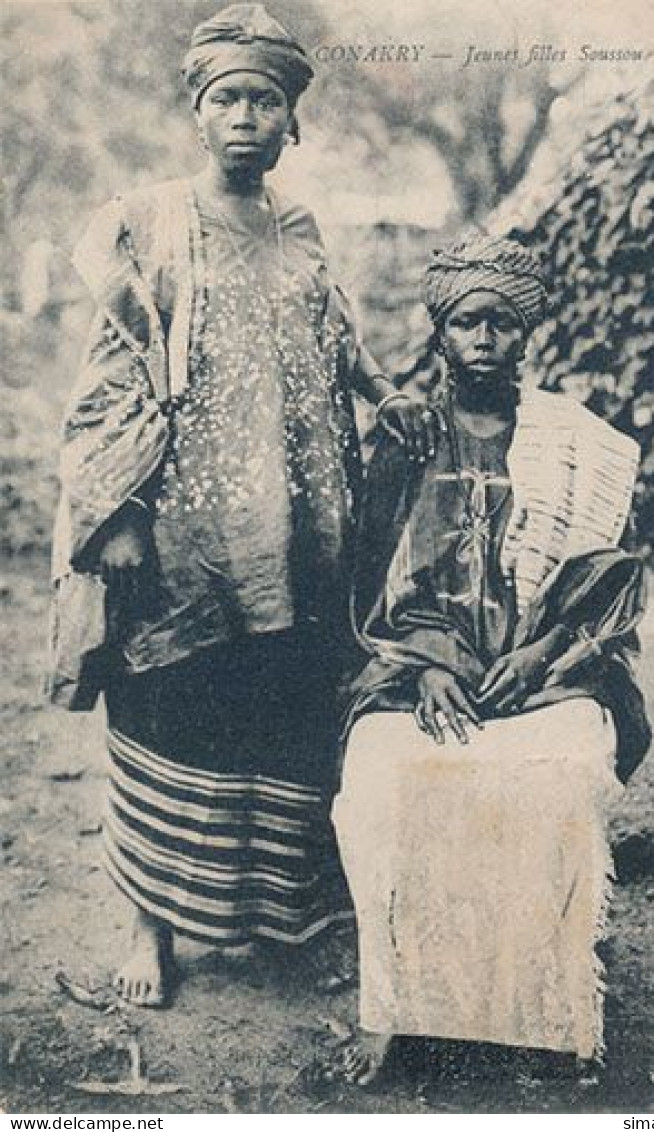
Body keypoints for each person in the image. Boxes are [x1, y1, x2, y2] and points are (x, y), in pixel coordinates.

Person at [48, 3, 436, 1008]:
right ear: (197, 110)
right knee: (173, 701)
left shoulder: (299, 227)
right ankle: (149, 921)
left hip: (300, 526)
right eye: (229, 97)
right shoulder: (149, 224)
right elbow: (108, 385)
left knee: (284, 702)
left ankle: (275, 915)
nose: (247, 116)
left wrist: (382, 390)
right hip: (182, 529)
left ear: (291, 119)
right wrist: (120, 517)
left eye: (267, 98)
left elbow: (333, 343)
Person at [331, 231, 651, 1084]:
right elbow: (367, 579)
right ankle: (395, 1008)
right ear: (439, 330)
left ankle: (546, 1013)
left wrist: (543, 653)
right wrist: (428, 662)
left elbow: (611, 576)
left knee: (555, 775)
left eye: (500, 325)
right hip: (417, 674)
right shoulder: (404, 438)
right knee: (384, 774)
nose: (482, 340)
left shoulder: (572, 441)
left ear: (525, 334)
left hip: (548, 672)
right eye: (466, 322)